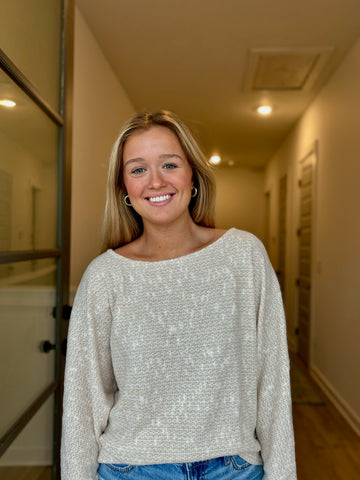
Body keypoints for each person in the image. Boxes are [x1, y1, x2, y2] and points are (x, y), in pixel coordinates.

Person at [61, 110, 297, 480]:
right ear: (124, 189)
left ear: (193, 176)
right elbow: (82, 402)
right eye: (138, 170)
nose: (155, 181)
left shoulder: (243, 255)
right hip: (130, 470)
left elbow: (273, 380)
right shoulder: (105, 276)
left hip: (233, 468)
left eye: (169, 164)